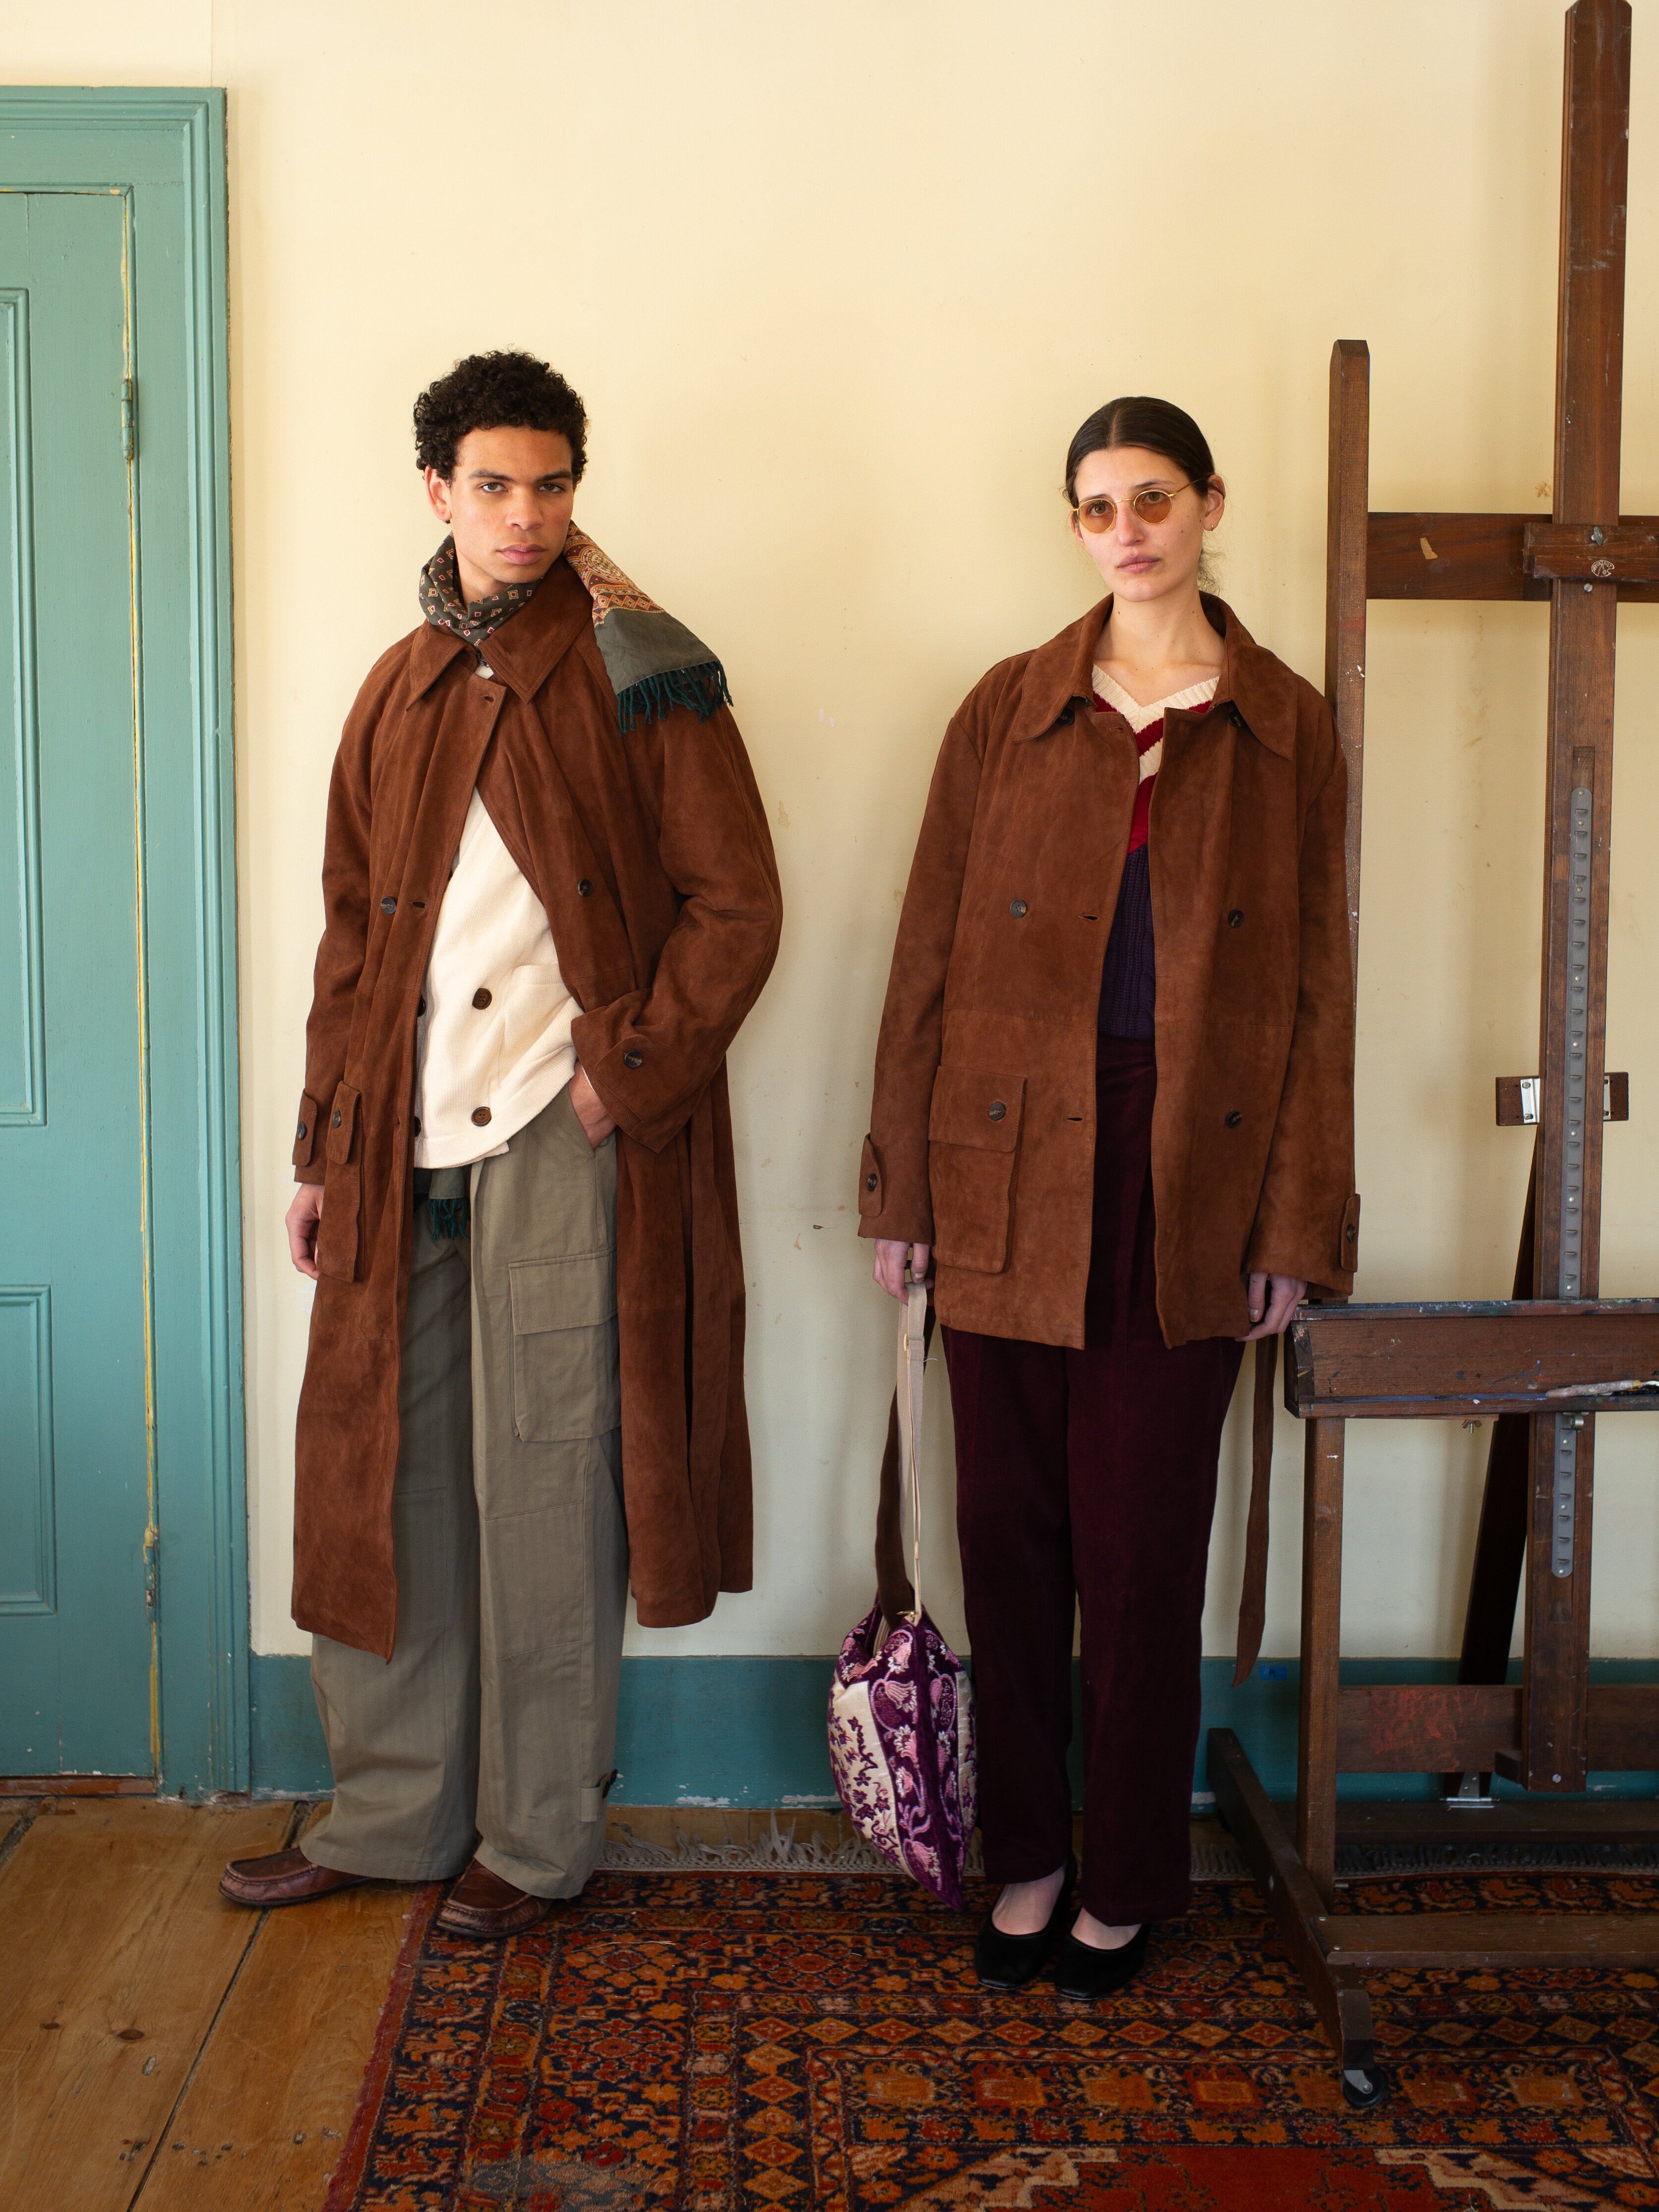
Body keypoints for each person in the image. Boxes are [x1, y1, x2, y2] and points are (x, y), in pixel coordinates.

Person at [222, 351, 781, 1935]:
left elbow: (738, 904)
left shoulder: (646, 672)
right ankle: (391, 1818)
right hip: (400, 1149)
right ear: (436, 494)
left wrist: (623, 1076)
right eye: (492, 485)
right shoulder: (394, 689)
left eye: (549, 486)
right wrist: (325, 1149)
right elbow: (350, 946)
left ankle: (535, 1842)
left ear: (573, 493)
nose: (523, 517)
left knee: (545, 1491)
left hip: (559, 1133)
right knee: (377, 1476)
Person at [858, 396, 1356, 2000]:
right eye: (1094, 506)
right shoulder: (1008, 708)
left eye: (1152, 497)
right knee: (1006, 1532)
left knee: (1144, 1545)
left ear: (1211, 502)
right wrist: (901, 1185)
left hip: (1188, 1165)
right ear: (1072, 526)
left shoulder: (1282, 721)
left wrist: (1296, 1220)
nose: (1126, 528)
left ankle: (1129, 1870)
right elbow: (924, 957)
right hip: (1000, 1156)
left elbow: (1320, 990)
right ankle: (1029, 1854)